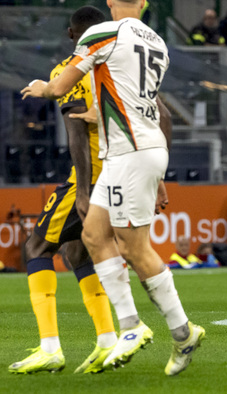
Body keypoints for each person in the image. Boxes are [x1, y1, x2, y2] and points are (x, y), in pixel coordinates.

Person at [21, 0, 204, 376]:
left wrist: (43, 87)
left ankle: (180, 331)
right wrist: (98, 114)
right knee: (92, 234)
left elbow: (60, 87)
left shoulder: (101, 33)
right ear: (144, 3)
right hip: (135, 148)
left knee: (134, 248)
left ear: (109, 2)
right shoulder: (156, 41)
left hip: (130, 152)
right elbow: (138, 99)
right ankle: (131, 326)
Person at [9, 6, 118, 375]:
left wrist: (83, 191)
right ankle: (107, 340)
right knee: (76, 251)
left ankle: (50, 347)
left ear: (73, 35)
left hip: (90, 177)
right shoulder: (117, 68)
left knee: (36, 247)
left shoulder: (69, 71)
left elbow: (75, 134)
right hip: (125, 171)